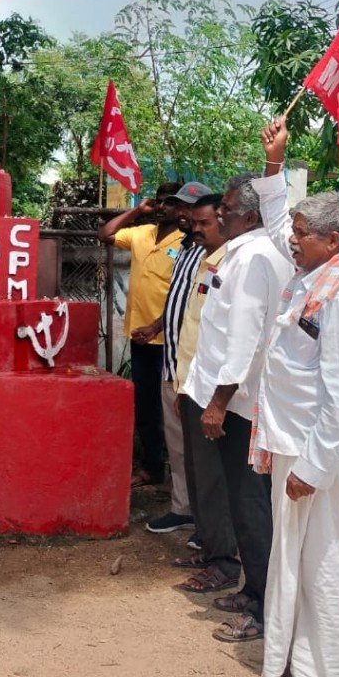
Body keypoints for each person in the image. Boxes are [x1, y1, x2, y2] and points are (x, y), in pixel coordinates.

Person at [251, 117, 339, 677]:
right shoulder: (316, 274)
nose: (290, 240)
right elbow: (278, 227)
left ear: (330, 239)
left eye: (302, 233)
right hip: (295, 449)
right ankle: (303, 668)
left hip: (314, 458)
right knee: (299, 560)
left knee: (323, 561)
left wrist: (315, 467)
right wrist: (275, 165)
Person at [176, 173, 290, 645]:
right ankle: (254, 589)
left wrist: (217, 404)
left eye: (225, 206)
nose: (218, 212)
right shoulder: (252, 254)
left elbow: (243, 340)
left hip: (239, 405)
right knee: (247, 506)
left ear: (247, 214)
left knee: (249, 505)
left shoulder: (254, 258)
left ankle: (265, 608)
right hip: (235, 400)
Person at [134, 183, 211, 534]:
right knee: (178, 444)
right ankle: (183, 508)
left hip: (196, 368)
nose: (183, 214)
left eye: (189, 209)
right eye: (180, 207)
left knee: (200, 449)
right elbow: (178, 299)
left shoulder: (213, 253)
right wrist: (155, 326)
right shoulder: (185, 248)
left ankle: (208, 521)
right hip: (172, 360)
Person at [98, 183, 184, 488]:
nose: (163, 207)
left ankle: (179, 475)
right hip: (139, 335)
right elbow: (105, 234)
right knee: (146, 405)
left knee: (172, 409)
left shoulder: (187, 241)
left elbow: (182, 295)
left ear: (182, 207)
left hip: (170, 339)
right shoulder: (143, 232)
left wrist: (158, 326)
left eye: (170, 203)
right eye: (159, 202)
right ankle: (152, 469)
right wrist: (137, 210)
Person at [172, 193, 234, 562]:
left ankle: (224, 560)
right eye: (194, 223)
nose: (196, 230)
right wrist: (182, 388)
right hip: (191, 386)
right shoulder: (204, 260)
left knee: (214, 481)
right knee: (197, 477)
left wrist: (216, 401)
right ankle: (208, 547)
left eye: (205, 223)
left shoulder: (233, 265)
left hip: (215, 392)